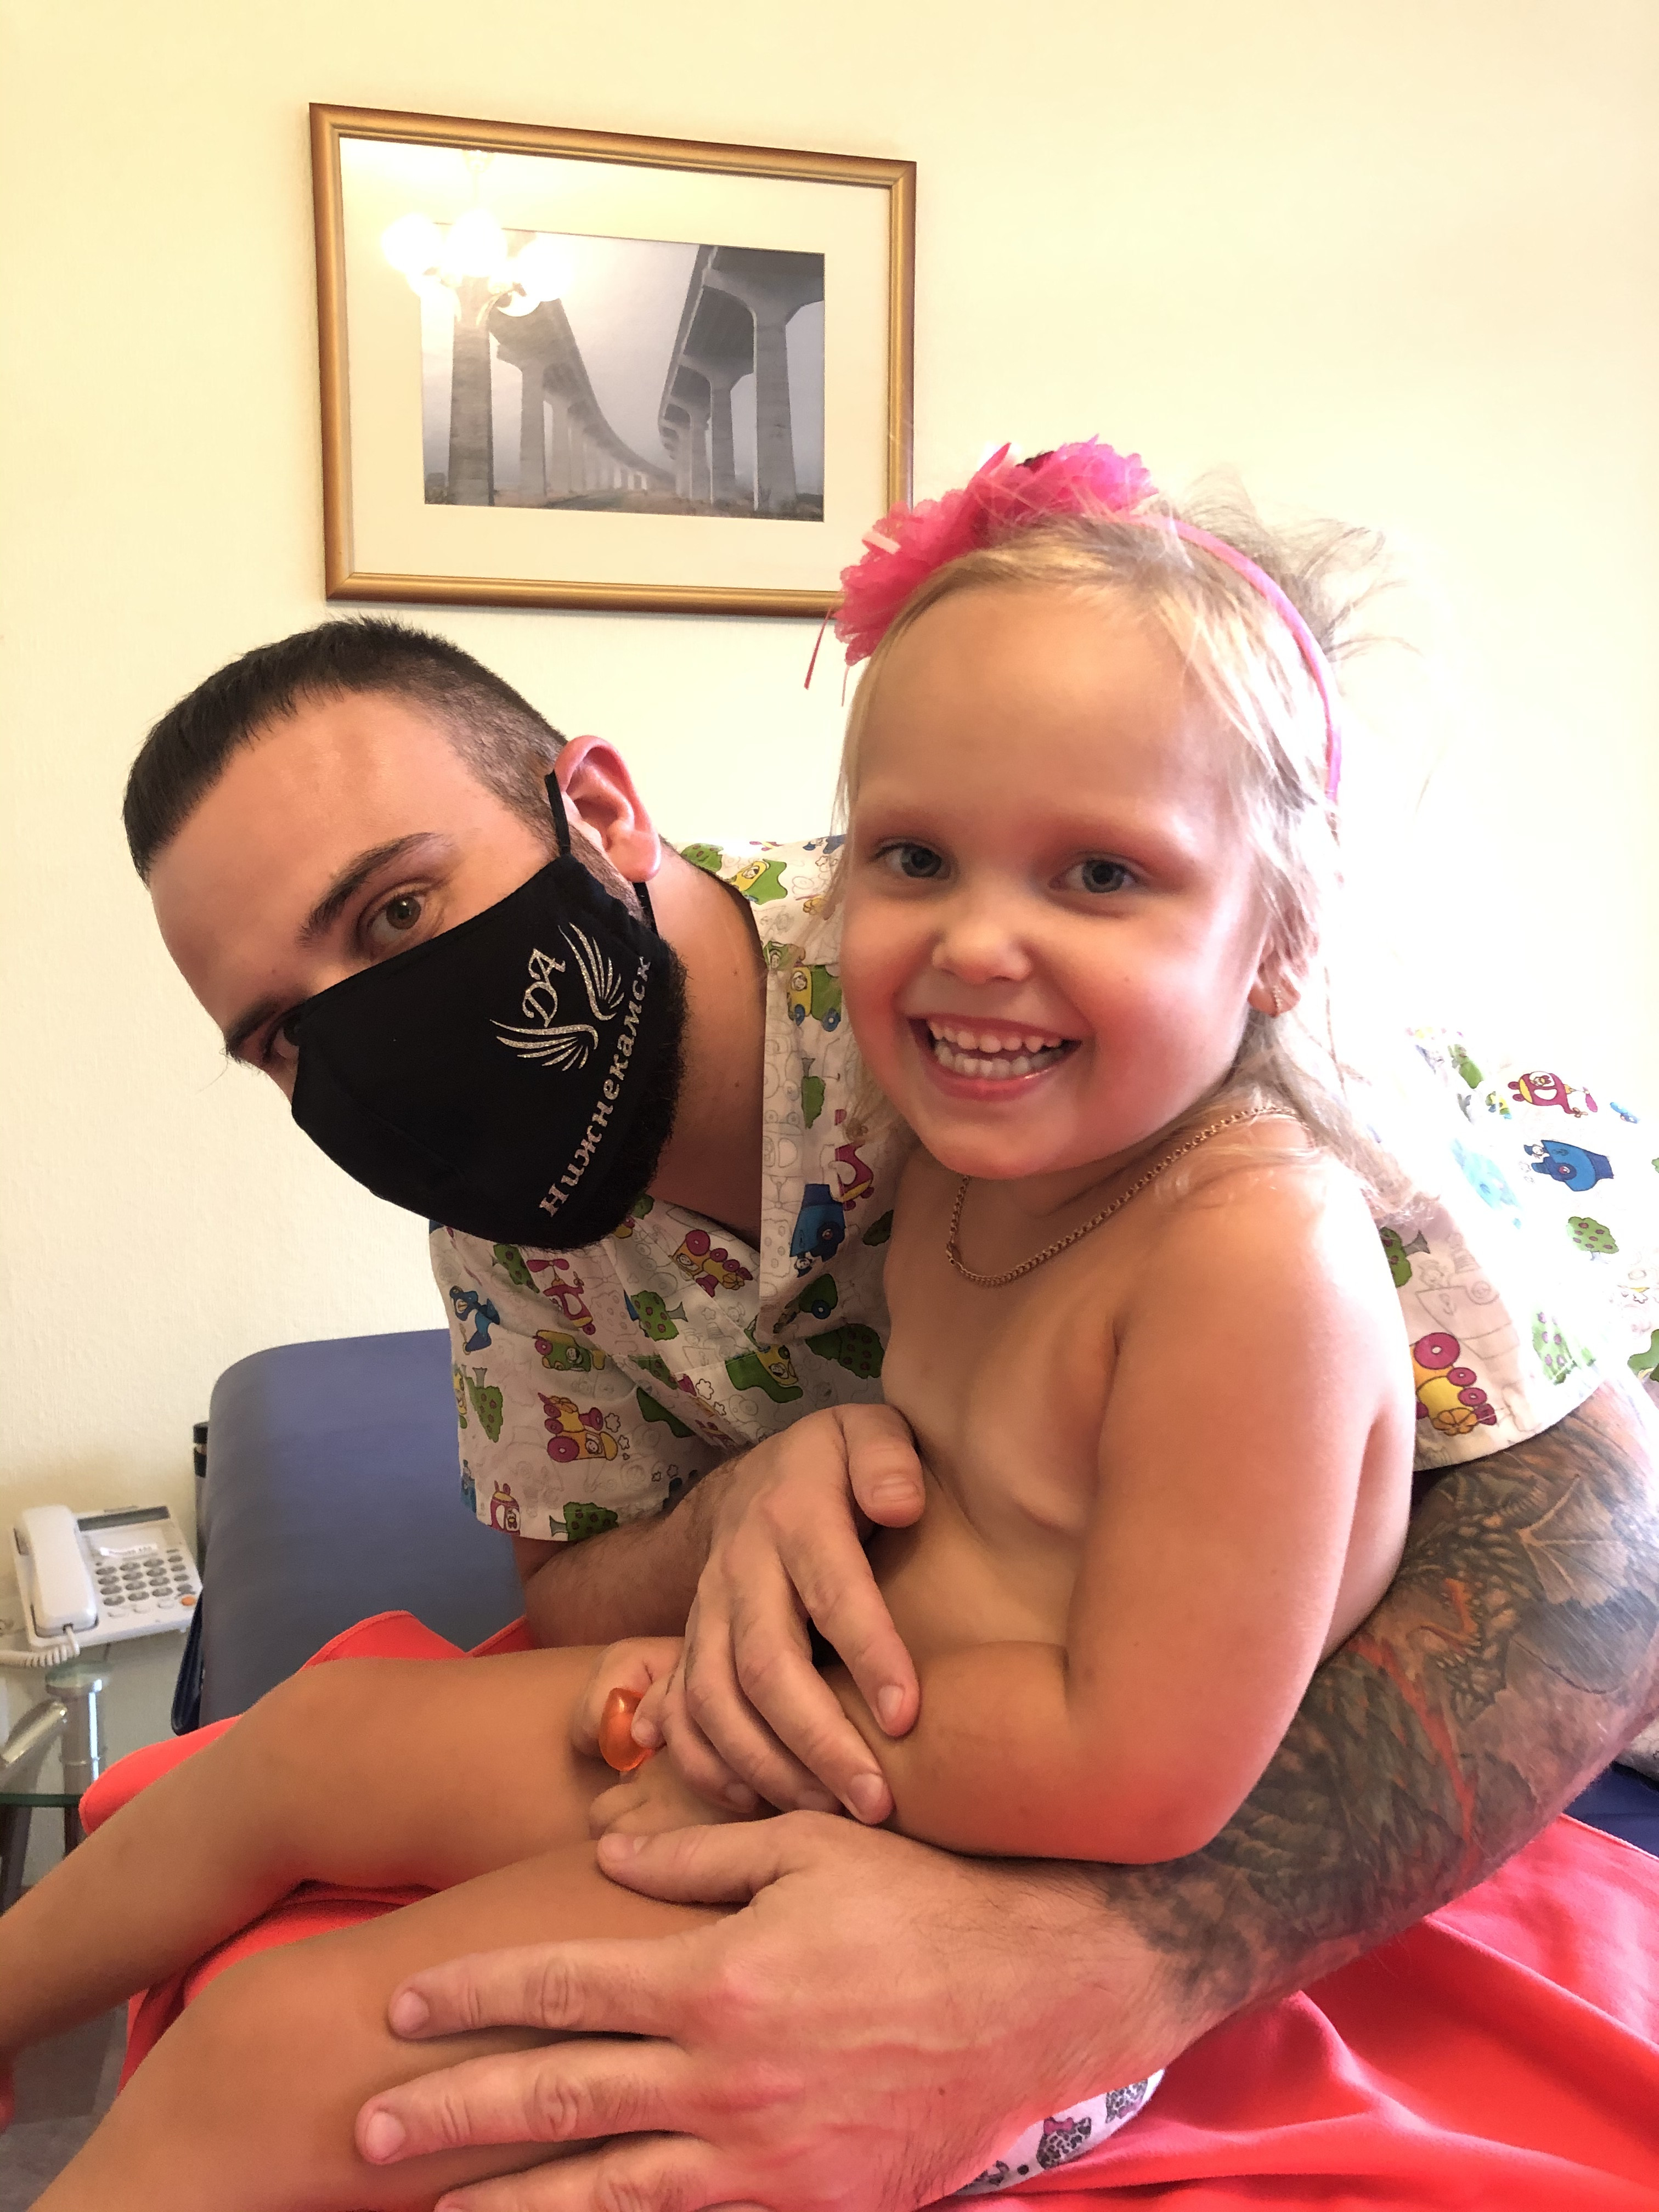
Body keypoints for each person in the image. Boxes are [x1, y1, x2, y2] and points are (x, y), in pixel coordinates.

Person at [69, 447, 1659, 2210]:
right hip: (861, 1714)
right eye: (284, 1034)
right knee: (307, 1745)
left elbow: (1592, 1546)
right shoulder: (772, 1151)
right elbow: (576, 1572)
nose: (985, 938)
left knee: (282, 2054)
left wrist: (862, 1801)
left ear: (599, 809)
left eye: (398, 911)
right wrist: (739, 1522)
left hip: (987, 1789)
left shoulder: (1205, 1152)